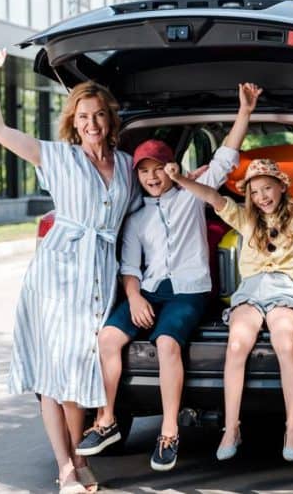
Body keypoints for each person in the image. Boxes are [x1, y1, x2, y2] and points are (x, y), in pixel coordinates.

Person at [76, 83, 263, 471]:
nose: (151, 177)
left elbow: (226, 157)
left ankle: (168, 432)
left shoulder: (192, 193)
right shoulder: (137, 215)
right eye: (143, 172)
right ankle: (107, 418)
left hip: (190, 291)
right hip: (149, 291)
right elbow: (129, 267)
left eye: (157, 168)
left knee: (165, 342)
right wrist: (135, 297)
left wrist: (244, 111)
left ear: (170, 167)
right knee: (108, 337)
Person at [0, 47, 139, 494]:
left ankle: (75, 457)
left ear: (110, 120)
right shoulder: (57, 157)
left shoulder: (127, 165)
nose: (91, 124)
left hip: (98, 277)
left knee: (78, 371)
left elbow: (156, 198)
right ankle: (68, 465)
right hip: (57, 275)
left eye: (99, 116)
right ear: (73, 121)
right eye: (83, 116)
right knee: (58, 373)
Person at [166, 157, 293, 463]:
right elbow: (211, 196)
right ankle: (231, 427)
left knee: (286, 344)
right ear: (248, 196)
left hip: (283, 292)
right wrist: (181, 180)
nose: (262, 196)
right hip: (249, 292)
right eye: (255, 191)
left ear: (281, 188)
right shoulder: (244, 218)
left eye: (268, 188)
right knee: (236, 345)